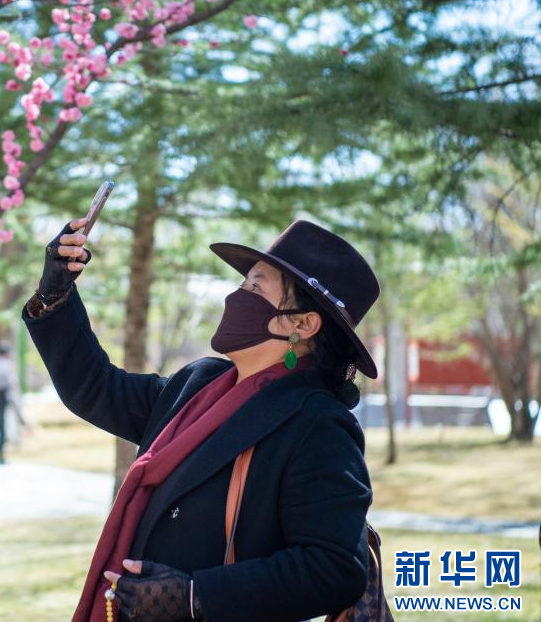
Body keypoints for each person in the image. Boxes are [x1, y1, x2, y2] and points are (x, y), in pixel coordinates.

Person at [22, 217, 380, 622]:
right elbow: (95, 388)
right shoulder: (198, 384)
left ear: (302, 323)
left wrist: (194, 596)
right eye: (243, 284)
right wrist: (55, 294)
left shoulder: (317, 424)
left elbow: (335, 568)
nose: (235, 296)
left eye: (256, 288)